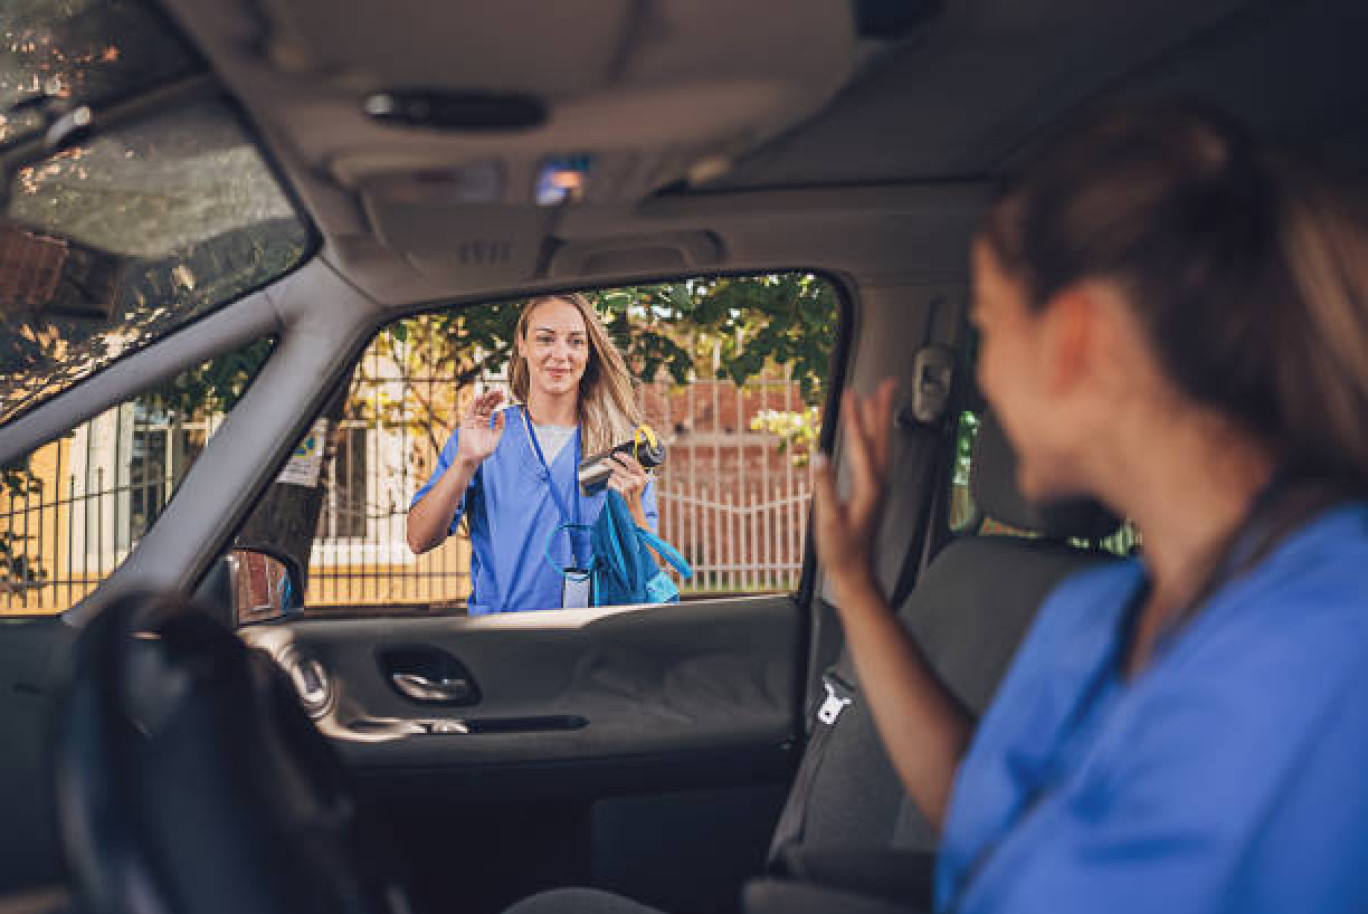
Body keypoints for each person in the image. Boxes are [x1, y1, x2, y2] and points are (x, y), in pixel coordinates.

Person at [812, 103, 1368, 912]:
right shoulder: (1097, 615)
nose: (985, 382)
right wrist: (856, 587)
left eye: (989, 331)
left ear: (1076, 338)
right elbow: (991, 817)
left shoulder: (1333, 639)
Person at [407, 292, 658, 614]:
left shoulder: (617, 445)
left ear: (590, 353)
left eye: (576, 342)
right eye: (545, 339)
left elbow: (648, 570)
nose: (561, 354)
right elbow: (418, 539)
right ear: (522, 345)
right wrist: (465, 463)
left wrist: (632, 505)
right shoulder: (484, 439)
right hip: (507, 639)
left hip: (597, 637)